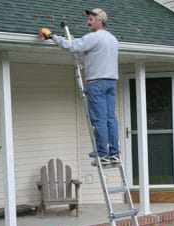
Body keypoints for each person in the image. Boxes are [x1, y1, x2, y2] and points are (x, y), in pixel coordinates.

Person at [39, 8, 120, 166]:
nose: (88, 22)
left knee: (100, 120)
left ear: (99, 20)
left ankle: (103, 155)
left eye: (90, 19)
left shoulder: (94, 37)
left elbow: (72, 47)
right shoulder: (113, 39)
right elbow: (93, 53)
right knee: (111, 119)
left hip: (97, 83)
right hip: (111, 82)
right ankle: (114, 154)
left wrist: (52, 36)